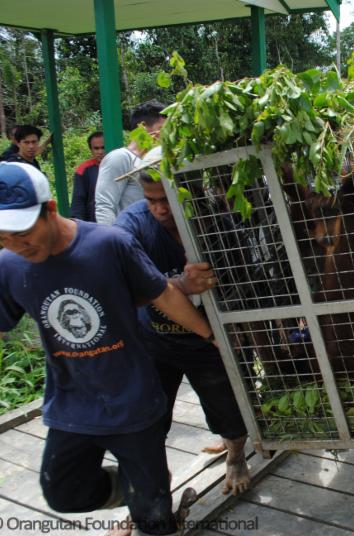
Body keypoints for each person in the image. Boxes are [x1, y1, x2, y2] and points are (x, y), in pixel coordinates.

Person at [0, 162, 215, 535]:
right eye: (1, 238)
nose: (15, 245)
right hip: (71, 402)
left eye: (23, 232)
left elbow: (163, 294)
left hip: (133, 400)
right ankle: (138, 487)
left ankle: (149, 495)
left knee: (154, 519)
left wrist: (209, 335)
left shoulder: (109, 245)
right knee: (63, 493)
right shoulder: (10, 267)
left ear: (51, 209)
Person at [114, 166, 252, 497]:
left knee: (228, 406)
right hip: (155, 338)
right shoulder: (132, 225)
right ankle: (151, 485)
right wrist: (181, 284)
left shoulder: (213, 222)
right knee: (149, 417)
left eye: (166, 200)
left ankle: (235, 457)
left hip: (211, 341)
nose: (159, 209)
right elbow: (123, 284)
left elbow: (245, 274)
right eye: (151, 201)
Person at [95, 100, 167, 225]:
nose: (165, 135)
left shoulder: (156, 160)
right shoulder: (120, 158)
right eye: (161, 129)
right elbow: (104, 206)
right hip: (128, 234)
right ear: (142, 127)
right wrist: (113, 237)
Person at [70, 131, 106, 222]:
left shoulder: (119, 165)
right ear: (91, 150)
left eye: (103, 147)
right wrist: (78, 224)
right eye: (96, 148)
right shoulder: (83, 169)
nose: (100, 152)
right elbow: (78, 200)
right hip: (94, 222)